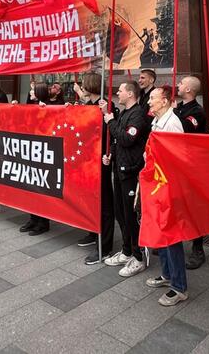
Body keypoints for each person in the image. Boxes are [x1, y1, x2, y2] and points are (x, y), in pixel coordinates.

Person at [144, 86, 190, 306]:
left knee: (171, 236)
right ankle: (167, 274)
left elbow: (177, 157)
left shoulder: (172, 123)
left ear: (164, 101)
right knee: (161, 232)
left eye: (153, 98)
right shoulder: (157, 121)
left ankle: (179, 287)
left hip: (168, 187)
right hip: (157, 185)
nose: (149, 102)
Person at [100, 81, 150, 278]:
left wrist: (110, 121)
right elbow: (117, 141)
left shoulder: (138, 115)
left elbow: (128, 139)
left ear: (130, 93)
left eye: (120, 90)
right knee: (120, 213)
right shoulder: (122, 113)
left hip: (131, 171)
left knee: (131, 215)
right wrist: (110, 155)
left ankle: (139, 257)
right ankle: (127, 250)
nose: (117, 93)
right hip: (119, 169)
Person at [73, 74, 115, 265]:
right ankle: (93, 231)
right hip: (87, 161)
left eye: (84, 84)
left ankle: (104, 246)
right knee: (90, 199)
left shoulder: (105, 106)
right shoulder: (89, 104)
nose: (81, 87)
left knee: (105, 204)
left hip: (100, 161)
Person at [173, 75, 209, 270]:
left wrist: (170, 113)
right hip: (177, 163)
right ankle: (174, 240)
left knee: (193, 207)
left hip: (192, 165)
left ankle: (198, 248)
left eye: (181, 84)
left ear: (188, 89)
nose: (177, 85)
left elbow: (184, 127)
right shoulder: (178, 108)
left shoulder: (197, 111)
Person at [17, 82, 54, 235]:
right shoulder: (31, 105)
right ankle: (33, 218)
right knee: (30, 187)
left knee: (41, 188)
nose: (30, 92)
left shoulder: (50, 107)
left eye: (32, 90)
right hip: (30, 151)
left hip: (42, 153)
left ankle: (43, 222)